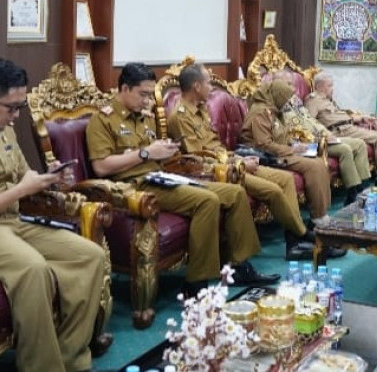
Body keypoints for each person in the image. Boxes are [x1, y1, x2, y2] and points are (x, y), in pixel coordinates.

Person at [86, 63, 279, 296]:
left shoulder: (145, 117)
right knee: (207, 201)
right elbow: (101, 166)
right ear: (124, 88)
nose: (148, 100)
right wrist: (146, 153)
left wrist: (165, 151)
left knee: (234, 192)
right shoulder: (102, 120)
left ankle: (238, 266)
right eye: (143, 94)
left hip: (162, 175)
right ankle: (196, 283)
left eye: (150, 94)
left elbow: (155, 152)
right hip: (134, 185)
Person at [0, 59, 106, 372]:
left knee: (89, 255)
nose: (16, 116)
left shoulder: (4, 131)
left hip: (13, 221)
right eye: (11, 107)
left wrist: (49, 179)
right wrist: (21, 191)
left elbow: (24, 176)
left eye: (20, 106)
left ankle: (69, 357)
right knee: (33, 268)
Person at [166, 63, 315, 261]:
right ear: (196, 86)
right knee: (273, 190)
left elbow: (217, 148)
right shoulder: (180, 116)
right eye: (208, 83)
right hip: (216, 171)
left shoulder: (201, 109)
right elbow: (200, 158)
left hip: (230, 160)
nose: (211, 88)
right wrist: (238, 164)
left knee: (285, 179)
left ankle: (293, 242)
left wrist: (240, 158)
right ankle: (301, 234)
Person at [241, 80, 342, 246]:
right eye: (285, 98)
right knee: (314, 166)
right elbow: (264, 144)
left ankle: (319, 215)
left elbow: (280, 136)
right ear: (277, 96)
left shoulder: (273, 110)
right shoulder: (260, 112)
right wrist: (292, 150)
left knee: (318, 160)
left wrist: (296, 145)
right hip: (267, 156)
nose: (287, 102)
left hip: (282, 151)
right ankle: (318, 219)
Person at [272, 71, 370, 206]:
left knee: (359, 143)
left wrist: (326, 133)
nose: (292, 88)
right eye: (288, 84)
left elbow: (311, 121)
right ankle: (353, 192)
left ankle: (362, 187)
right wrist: (320, 137)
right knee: (345, 149)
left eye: (292, 84)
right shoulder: (276, 105)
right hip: (306, 143)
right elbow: (292, 131)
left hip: (321, 136)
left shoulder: (295, 100)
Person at [304, 72, 377, 186]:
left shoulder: (328, 100)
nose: (332, 89)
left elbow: (344, 116)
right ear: (319, 86)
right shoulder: (313, 100)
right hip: (338, 131)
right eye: (330, 86)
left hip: (349, 126)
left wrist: (362, 118)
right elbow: (310, 121)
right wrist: (324, 135)